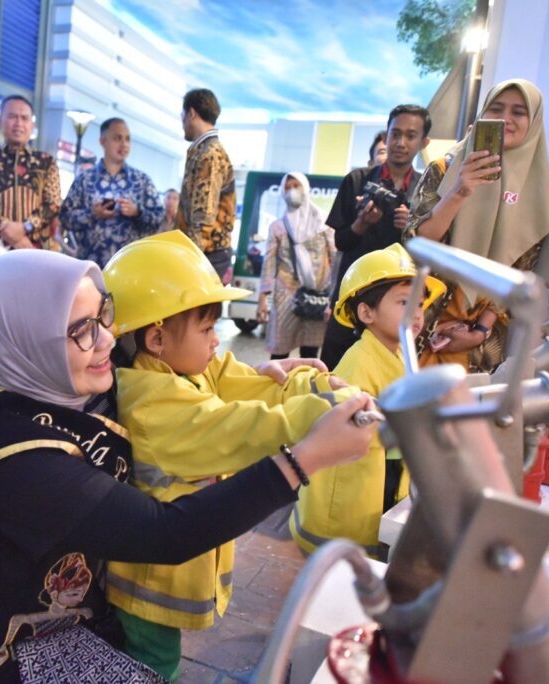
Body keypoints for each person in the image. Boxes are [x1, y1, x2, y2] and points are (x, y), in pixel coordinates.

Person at [0, 248, 376, 682]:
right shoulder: (12, 456)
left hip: (79, 613)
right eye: (81, 329)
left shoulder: (69, 386)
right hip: (11, 647)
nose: (108, 338)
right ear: (21, 343)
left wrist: (258, 377)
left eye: (104, 315)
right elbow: (163, 533)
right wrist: (304, 459)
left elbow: (180, 375)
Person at [102, 231, 355, 680]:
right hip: (148, 582)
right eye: (206, 330)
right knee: (153, 664)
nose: (216, 342)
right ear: (156, 338)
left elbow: (245, 383)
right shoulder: (152, 403)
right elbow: (241, 426)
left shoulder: (183, 368)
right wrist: (321, 415)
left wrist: (310, 385)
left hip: (171, 566)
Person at [290, 244, 445, 558]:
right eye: (404, 302)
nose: (417, 314)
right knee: (349, 561)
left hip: (385, 469)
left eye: (420, 304)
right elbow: (351, 427)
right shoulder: (360, 361)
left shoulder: (399, 353)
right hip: (358, 480)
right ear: (366, 313)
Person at [405, 79, 549, 372]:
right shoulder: (444, 169)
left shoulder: (537, 195)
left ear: (534, 122)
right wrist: (458, 191)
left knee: (472, 401)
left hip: (478, 343)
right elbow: (416, 243)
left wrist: (479, 332)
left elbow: (517, 272)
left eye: (518, 112)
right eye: (495, 109)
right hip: (419, 321)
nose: (505, 119)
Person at [319, 104, 431, 371]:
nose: (400, 143)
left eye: (411, 136)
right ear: (387, 134)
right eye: (395, 134)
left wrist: (412, 228)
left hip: (398, 305)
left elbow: (432, 249)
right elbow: (341, 242)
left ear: (424, 142)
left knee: (390, 375)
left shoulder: (426, 191)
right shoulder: (357, 181)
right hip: (352, 295)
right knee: (332, 373)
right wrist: (361, 224)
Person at [60, 118, 164, 267]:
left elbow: (159, 219)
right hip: (90, 266)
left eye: (127, 139)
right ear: (103, 141)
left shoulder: (142, 181)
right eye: (117, 138)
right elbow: (65, 217)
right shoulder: (84, 179)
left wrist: (137, 212)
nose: (124, 144)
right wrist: (92, 214)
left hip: (129, 267)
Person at [0, 95, 62, 261]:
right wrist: (6, 228)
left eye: (24, 118)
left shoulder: (46, 162)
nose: (18, 123)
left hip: (35, 248)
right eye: (12, 116)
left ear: (32, 125)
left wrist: (25, 227)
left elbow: (53, 204)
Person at [256, 172, 336, 360]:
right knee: (279, 353)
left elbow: (335, 259)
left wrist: (334, 298)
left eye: (296, 185)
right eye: (287, 187)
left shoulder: (324, 224)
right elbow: (269, 264)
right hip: (286, 298)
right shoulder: (278, 227)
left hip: (317, 297)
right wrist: (262, 299)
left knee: (310, 354)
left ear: (305, 188)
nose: (292, 191)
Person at [175, 88, 235, 282]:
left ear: (191, 113)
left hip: (206, 255)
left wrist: (189, 260)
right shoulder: (203, 151)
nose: (182, 121)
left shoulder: (209, 154)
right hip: (204, 253)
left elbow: (204, 216)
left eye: (183, 114)